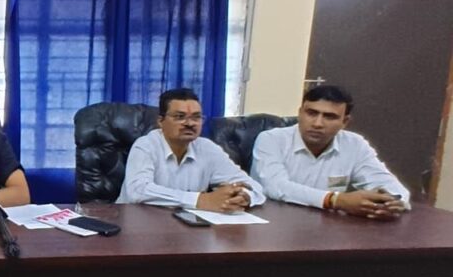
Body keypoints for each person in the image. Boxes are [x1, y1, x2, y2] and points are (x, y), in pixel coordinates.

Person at [251, 84, 409, 219]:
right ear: (300, 113)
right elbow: (276, 186)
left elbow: (389, 184)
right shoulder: (271, 139)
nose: (317, 123)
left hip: (328, 227)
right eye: (311, 113)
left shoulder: (355, 144)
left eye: (329, 117)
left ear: (345, 122)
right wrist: (335, 200)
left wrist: (390, 202)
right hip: (276, 224)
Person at [118, 87, 265, 212]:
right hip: (137, 223)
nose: (189, 123)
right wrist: (200, 200)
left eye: (196, 117)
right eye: (180, 117)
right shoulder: (145, 145)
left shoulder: (207, 148)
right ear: (160, 121)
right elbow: (138, 191)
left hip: (186, 225)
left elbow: (254, 187)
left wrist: (243, 196)